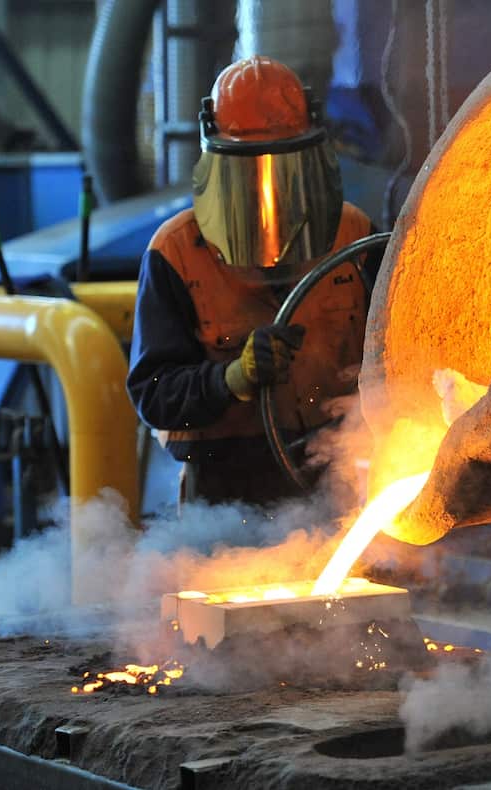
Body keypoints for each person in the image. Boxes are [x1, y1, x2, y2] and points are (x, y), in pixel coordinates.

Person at [128, 56, 383, 507]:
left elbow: (401, 353)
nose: (269, 193)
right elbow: (154, 395)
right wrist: (232, 378)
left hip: (337, 473)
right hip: (226, 492)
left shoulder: (354, 236)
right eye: (249, 176)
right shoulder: (177, 253)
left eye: (287, 171)